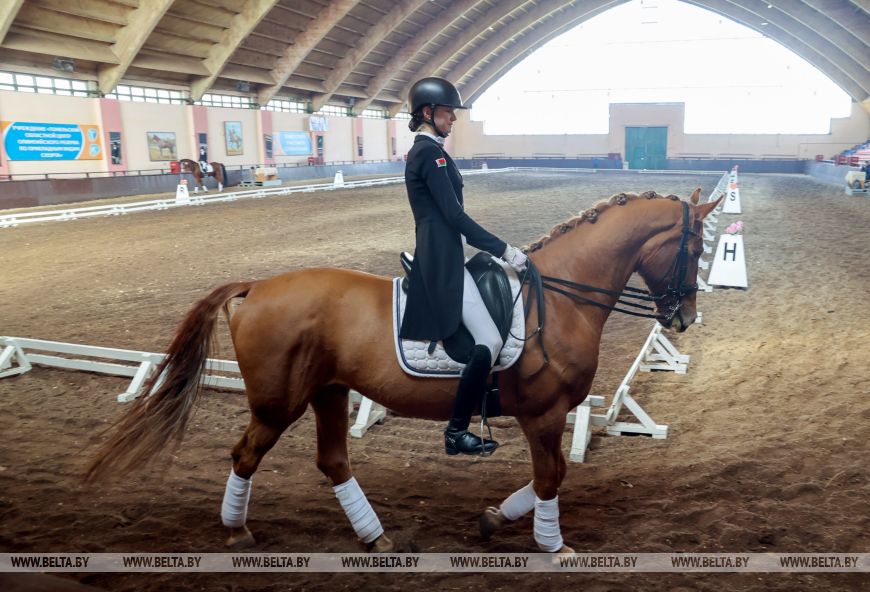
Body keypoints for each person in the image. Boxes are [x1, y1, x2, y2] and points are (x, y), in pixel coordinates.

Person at [399, 77, 527, 456]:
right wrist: (505, 250)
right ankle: (456, 432)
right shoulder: (428, 153)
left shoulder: (432, 151)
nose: (453, 117)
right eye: (447, 111)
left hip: (448, 253)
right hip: (441, 260)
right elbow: (455, 216)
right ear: (428, 112)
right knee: (489, 340)